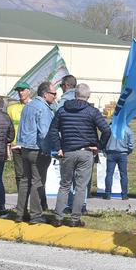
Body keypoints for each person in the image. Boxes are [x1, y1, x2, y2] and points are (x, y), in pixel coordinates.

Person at [48, 83, 110, 227]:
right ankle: (75, 219)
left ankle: (58, 217)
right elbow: (106, 130)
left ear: (75, 94)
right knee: (81, 187)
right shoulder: (92, 111)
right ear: (88, 97)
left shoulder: (62, 110)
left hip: (67, 151)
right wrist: (98, 147)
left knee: (64, 185)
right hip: (86, 152)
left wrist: (58, 147)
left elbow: (53, 130)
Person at [17, 82, 57, 224]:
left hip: (25, 148)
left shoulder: (28, 106)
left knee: (24, 180)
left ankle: (20, 213)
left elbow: (21, 128)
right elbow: (44, 133)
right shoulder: (44, 109)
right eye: (53, 94)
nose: (55, 97)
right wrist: (48, 150)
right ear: (45, 94)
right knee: (37, 182)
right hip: (38, 149)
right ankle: (36, 215)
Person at [7, 82, 32, 219]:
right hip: (16, 146)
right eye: (18, 91)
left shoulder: (33, 106)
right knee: (20, 176)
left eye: (22, 90)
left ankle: (34, 205)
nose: (20, 93)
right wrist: (8, 146)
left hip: (30, 146)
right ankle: (22, 205)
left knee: (33, 178)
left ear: (29, 91)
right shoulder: (12, 108)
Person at [104, 127, 135, 199]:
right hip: (123, 153)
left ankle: (107, 194)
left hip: (111, 153)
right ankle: (124, 195)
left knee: (109, 174)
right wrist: (128, 151)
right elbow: (131, 144)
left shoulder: (109, 128)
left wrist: (105, 150)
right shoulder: (128, 130)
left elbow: (104, 140)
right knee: (123, 175)